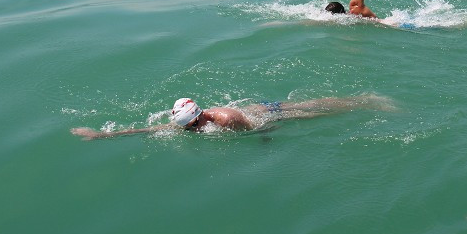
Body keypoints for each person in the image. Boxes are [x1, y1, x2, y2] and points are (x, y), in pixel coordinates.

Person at [70, 94, 395, 139]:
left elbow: (257, 129)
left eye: (192, 127)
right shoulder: (200, 119)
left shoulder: (223, 120)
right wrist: (104, 135)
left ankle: (365, 102)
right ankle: (363, 99)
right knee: (310, 105)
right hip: (257, 108)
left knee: (312, 112)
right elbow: (154, 128)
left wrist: (266, 138)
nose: (191, 131)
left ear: (197, 119)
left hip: (265, 115)